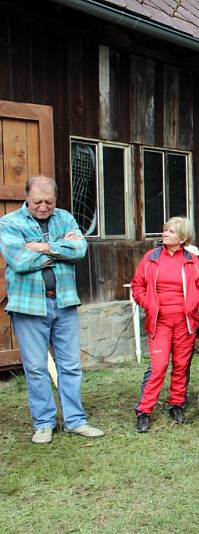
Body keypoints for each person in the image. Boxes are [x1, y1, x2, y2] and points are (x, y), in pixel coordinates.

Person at [0, 175, 105, 444]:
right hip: (29, 306)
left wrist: (43, 247)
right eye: (37, 201)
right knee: (36, 368)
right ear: (27, 197)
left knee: (70, 365)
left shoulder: (66, 218)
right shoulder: (9, 223)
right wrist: (61, 250)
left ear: (55, 200)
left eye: (49, 201)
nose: (43, 206)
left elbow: (79, 250)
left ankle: (75, 421)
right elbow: (19, 260)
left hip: (64, 302)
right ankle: (44, 423)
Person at [131, 217, 199, 432]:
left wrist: (193, 303)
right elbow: (137, 286)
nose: (165, 234)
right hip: (160, 322)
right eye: (165, 230)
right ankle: (144, 411)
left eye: (171, 232)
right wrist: (147, 303)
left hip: (185, 322)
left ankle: (177, 405)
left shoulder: (192, 260)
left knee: (182, 365)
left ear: (182, 238)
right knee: (159, 366)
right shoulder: (151, 258)